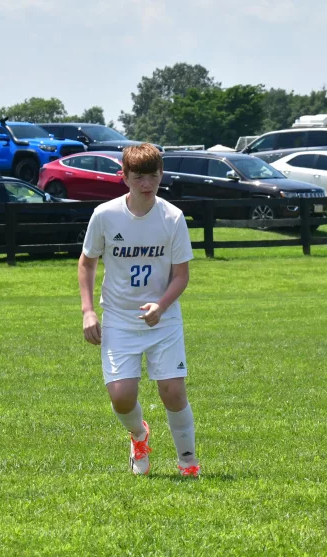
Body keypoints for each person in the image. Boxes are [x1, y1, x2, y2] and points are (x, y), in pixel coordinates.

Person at [77, 143, 199, 477]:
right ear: (124, 177)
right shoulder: (105, 215)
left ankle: (188, 462)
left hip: (164, 318)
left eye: (153, 176)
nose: (147, 184)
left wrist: (161, 305)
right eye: (138, 177)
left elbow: (181, 275)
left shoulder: (172, 217)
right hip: (119, 319)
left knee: (173, 391)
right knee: (121, 397)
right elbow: (87, 263)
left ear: (161, 175)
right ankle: (139, 435)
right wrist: (88, 311)